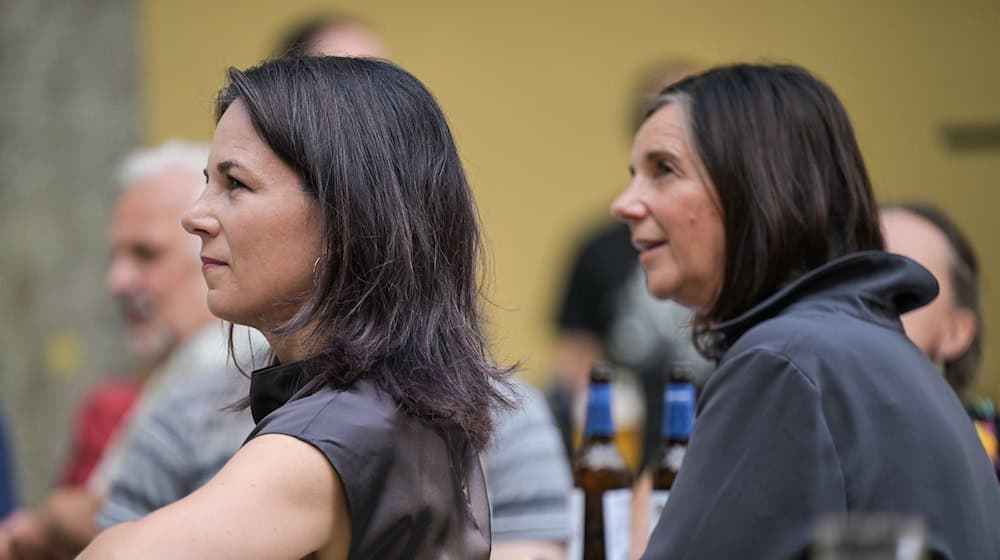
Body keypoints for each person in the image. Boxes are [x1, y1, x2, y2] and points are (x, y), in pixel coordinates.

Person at [80, 56, 515, 559]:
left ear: (346, 214)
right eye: (207, 182)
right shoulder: (391, 408)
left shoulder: (333, 438)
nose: (195, 215)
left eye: (235, 184)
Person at [610, 63, 1000, 559]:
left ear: (754, 185)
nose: (624, 204)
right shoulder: (862, 353)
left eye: (663, 169)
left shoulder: (785, 362)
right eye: (632, 175)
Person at [0, 142, 237, 560]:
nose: (118, 280)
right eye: (117, 257)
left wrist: (52, 519)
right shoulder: (187, 364)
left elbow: (146, 515)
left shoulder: (232, 362)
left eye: (146, 254)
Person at [881, 203, 998, 474]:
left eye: (902, 284)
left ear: (957, 332)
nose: (872, 296)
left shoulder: (985, 454)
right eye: (857, 273)